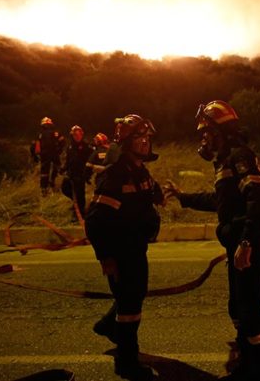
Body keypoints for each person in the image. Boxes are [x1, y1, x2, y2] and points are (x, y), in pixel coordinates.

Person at [164, 100, 260, 381]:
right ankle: (248, 367)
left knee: (251, 311)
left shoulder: (240, 156)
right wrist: (183, 197)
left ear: (220, 132)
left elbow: (257, 199)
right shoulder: (226, 161)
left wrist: (246, 243)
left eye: (206, 132)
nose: (203, 138)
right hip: (239, 244)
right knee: (239, 308)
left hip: (247, 244)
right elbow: (221, 201)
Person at [85, 114, 163, 381]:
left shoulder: (139, 170)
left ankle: (108, 325)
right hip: (121, 251)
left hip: (136, 247)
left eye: (148, 138)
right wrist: (106, 257)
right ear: (127, 143)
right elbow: (94, 221)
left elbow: (147, 190)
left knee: (134, 295)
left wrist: (160, 193)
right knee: (130, 308)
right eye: (140, 138)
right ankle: (127, 363)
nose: (146, 142)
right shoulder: (115, 175)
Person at [61, 125, 94, 223]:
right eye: (75, 135)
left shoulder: (86, 147)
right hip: (71, 173)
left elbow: (91, 160)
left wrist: (87, 174)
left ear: (82, 135)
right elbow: (68, 160)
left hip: (81, 174)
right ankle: (76, 203)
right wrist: (64, 168)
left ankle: (80, 213)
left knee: (80, 194)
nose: (77, 136)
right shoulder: (70, 146)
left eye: (79, 134)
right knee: (65, 188)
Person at [30, 117, 66, 196]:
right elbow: (63, 142)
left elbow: (33, 146)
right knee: (58, 168)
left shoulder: (39, 134)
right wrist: (59, 151)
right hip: (54, 154)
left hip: (44, 155)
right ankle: (53, 182)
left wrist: (34, 156)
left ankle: (44, 190)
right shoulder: (56, 132)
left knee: (44, 173)